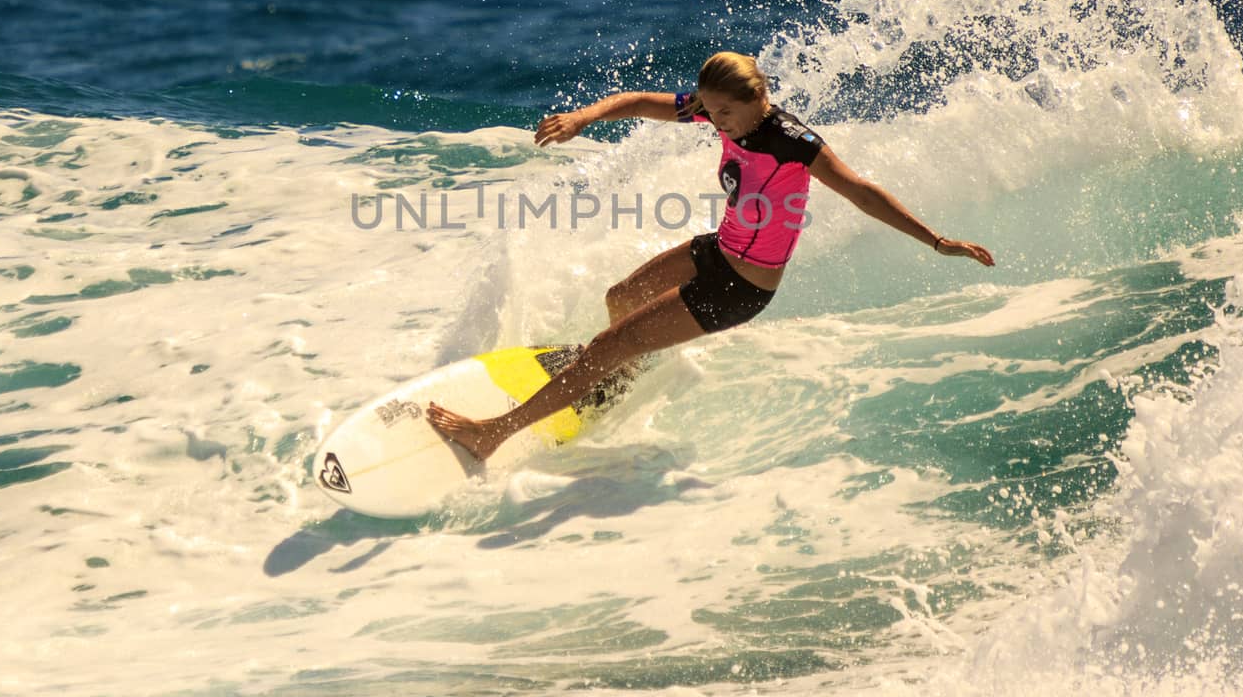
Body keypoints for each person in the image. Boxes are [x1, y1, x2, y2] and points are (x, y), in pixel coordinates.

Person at [426, 52, 994, 460]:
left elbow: (863, 191)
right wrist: (586, 118)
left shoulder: (793, 144)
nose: (710, 120)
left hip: (742, 287)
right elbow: (643, 103)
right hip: (718, 252)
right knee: (620, 299)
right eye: (707, 110)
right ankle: (609, 382)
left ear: (757, 101)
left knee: (608, 344)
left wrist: (938, 241)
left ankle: (494, 432)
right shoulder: (719, 110)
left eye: (721, 113)